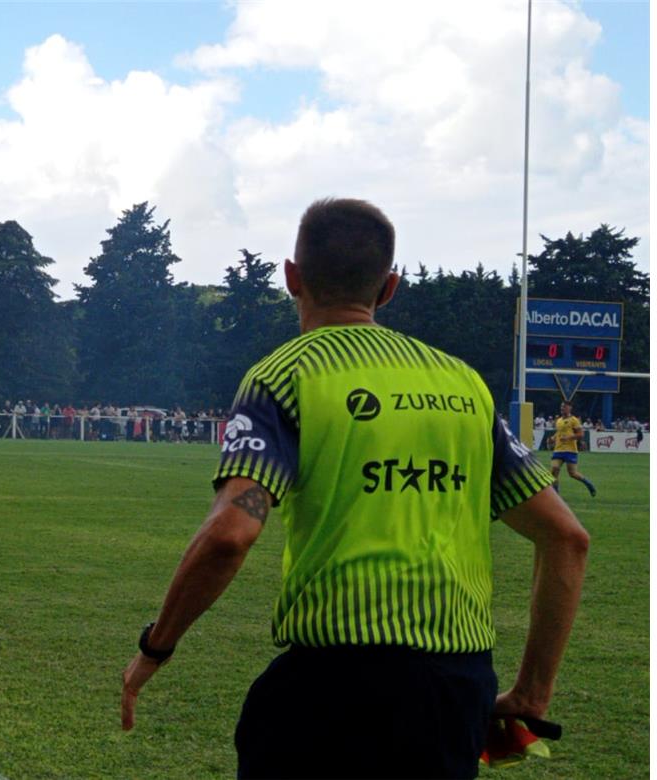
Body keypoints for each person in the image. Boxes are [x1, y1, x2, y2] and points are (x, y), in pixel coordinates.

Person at [119, 198, 589, 779]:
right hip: (456, 690)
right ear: (389, 287)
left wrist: (155, 647)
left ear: (291, 278)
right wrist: (532, 695)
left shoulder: (284, 378)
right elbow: (566, 538)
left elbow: (230, 534)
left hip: (332, 688)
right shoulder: (465, 386)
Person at [548, 401, 597, 497]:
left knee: (573, 473)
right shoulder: (558, 420)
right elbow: (558, 433)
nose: (562, 408)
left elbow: (581, 434)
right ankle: (556, 494)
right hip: (558, 450)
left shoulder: (574, 420)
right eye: (561, 407)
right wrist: (552, 438)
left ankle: (588, 484)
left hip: (570, 450)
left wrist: (568, 438)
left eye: (564, 407)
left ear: (570, 408)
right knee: (554, 469)